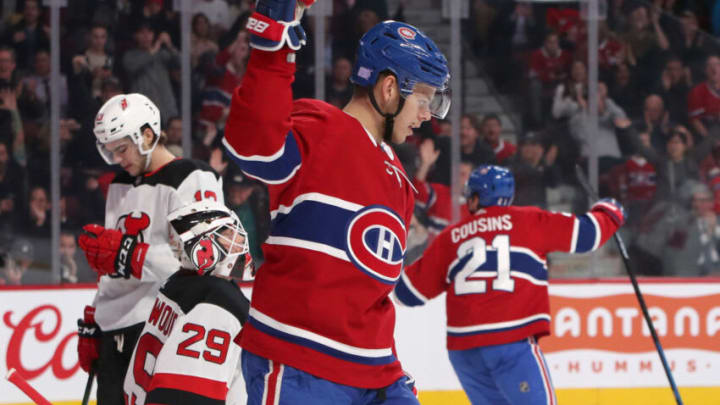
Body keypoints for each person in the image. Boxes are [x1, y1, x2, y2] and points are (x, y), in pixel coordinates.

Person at [223, 1, 450, 403]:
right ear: (390, 87)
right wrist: (275, 43)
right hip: (301, 363)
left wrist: (388, 367)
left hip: (376, 372)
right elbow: (254, 147)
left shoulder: (399, 177)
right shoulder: (321, 127)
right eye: (425, 98)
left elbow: (371, 288)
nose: (428, 115)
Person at [393, 165, 625, 405]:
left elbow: (406, 294)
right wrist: (610, 210)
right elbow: (588, 235)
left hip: (464, 352)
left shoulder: (451, 237)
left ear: (474, 198)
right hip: (510, 343)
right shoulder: (529, 220)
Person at [76, 93, 224, 405]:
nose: (118, 158)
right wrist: (95, 316)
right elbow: (113, 264)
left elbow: (210, 262)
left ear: (147, 134)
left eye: (122, 148)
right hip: (115, 331)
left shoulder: (193, 177)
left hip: (161, 327)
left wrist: (133, 255)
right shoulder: (120, 184)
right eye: (110, 151)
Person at [122, 200, 251, 405]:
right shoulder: (216, 302)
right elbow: (186, 394)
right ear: (206, 246)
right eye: (227, 236)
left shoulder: (179, 285)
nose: (239, 241)